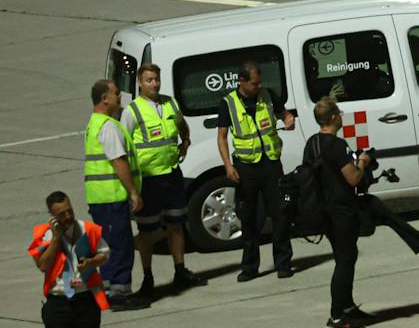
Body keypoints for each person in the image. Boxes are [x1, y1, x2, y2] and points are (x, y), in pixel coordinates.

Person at [122, 62, 205, 297]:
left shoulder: (169, 102)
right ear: (140, 82)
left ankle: (180, 271)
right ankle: (148, 278)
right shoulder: (133, 111)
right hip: (148, 180)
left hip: (171, 174)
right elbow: (124, 144)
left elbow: (180, 123)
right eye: (149, 80)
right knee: (146, 230)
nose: (154, 84)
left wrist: (185, 141)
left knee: (176, 224)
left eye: (157, 79)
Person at [215, 60, 296, 282]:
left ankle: (283, 263)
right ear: (241, 81)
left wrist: (289, 120)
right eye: (253, 84)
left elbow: (285, 114)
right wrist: (228, 166)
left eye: (259, 83)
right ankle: (250, 267)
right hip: (246, 167)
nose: (257, 87)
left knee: (280, 213)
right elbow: (222, 137)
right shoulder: (228, 103)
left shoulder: (267, 95)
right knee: (248, 216)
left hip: (270, 163)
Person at [30, 191, 110, 328]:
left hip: (85, 300)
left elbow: (105, 253)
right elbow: (42, 265)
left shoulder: (88, 229)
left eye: (69, 211)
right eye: (61, 214)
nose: (67, 216)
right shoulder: (44, 235)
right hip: (58, 304)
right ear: (52, 215)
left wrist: (93, 262)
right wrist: (56, 238)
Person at [308, 96, 373, 328]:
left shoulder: (312, 143)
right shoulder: (337, 145)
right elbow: (353, 178)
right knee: (345, 261)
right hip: (340, 211)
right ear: (333, 117)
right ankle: (337, 316)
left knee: (346, 256)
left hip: (323, 211)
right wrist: (363, 162)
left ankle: (347, 307)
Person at [83, 79, 142, 309]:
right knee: (120, 246)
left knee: (108, 246)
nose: (120, 98)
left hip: (100, 199)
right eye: (116, 93)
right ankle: (119, 294)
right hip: (111, 198)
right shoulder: (108, 127)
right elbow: (119, 162)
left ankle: (108, 291)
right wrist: (134, 192)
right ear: (104, 99)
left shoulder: (94, 124)